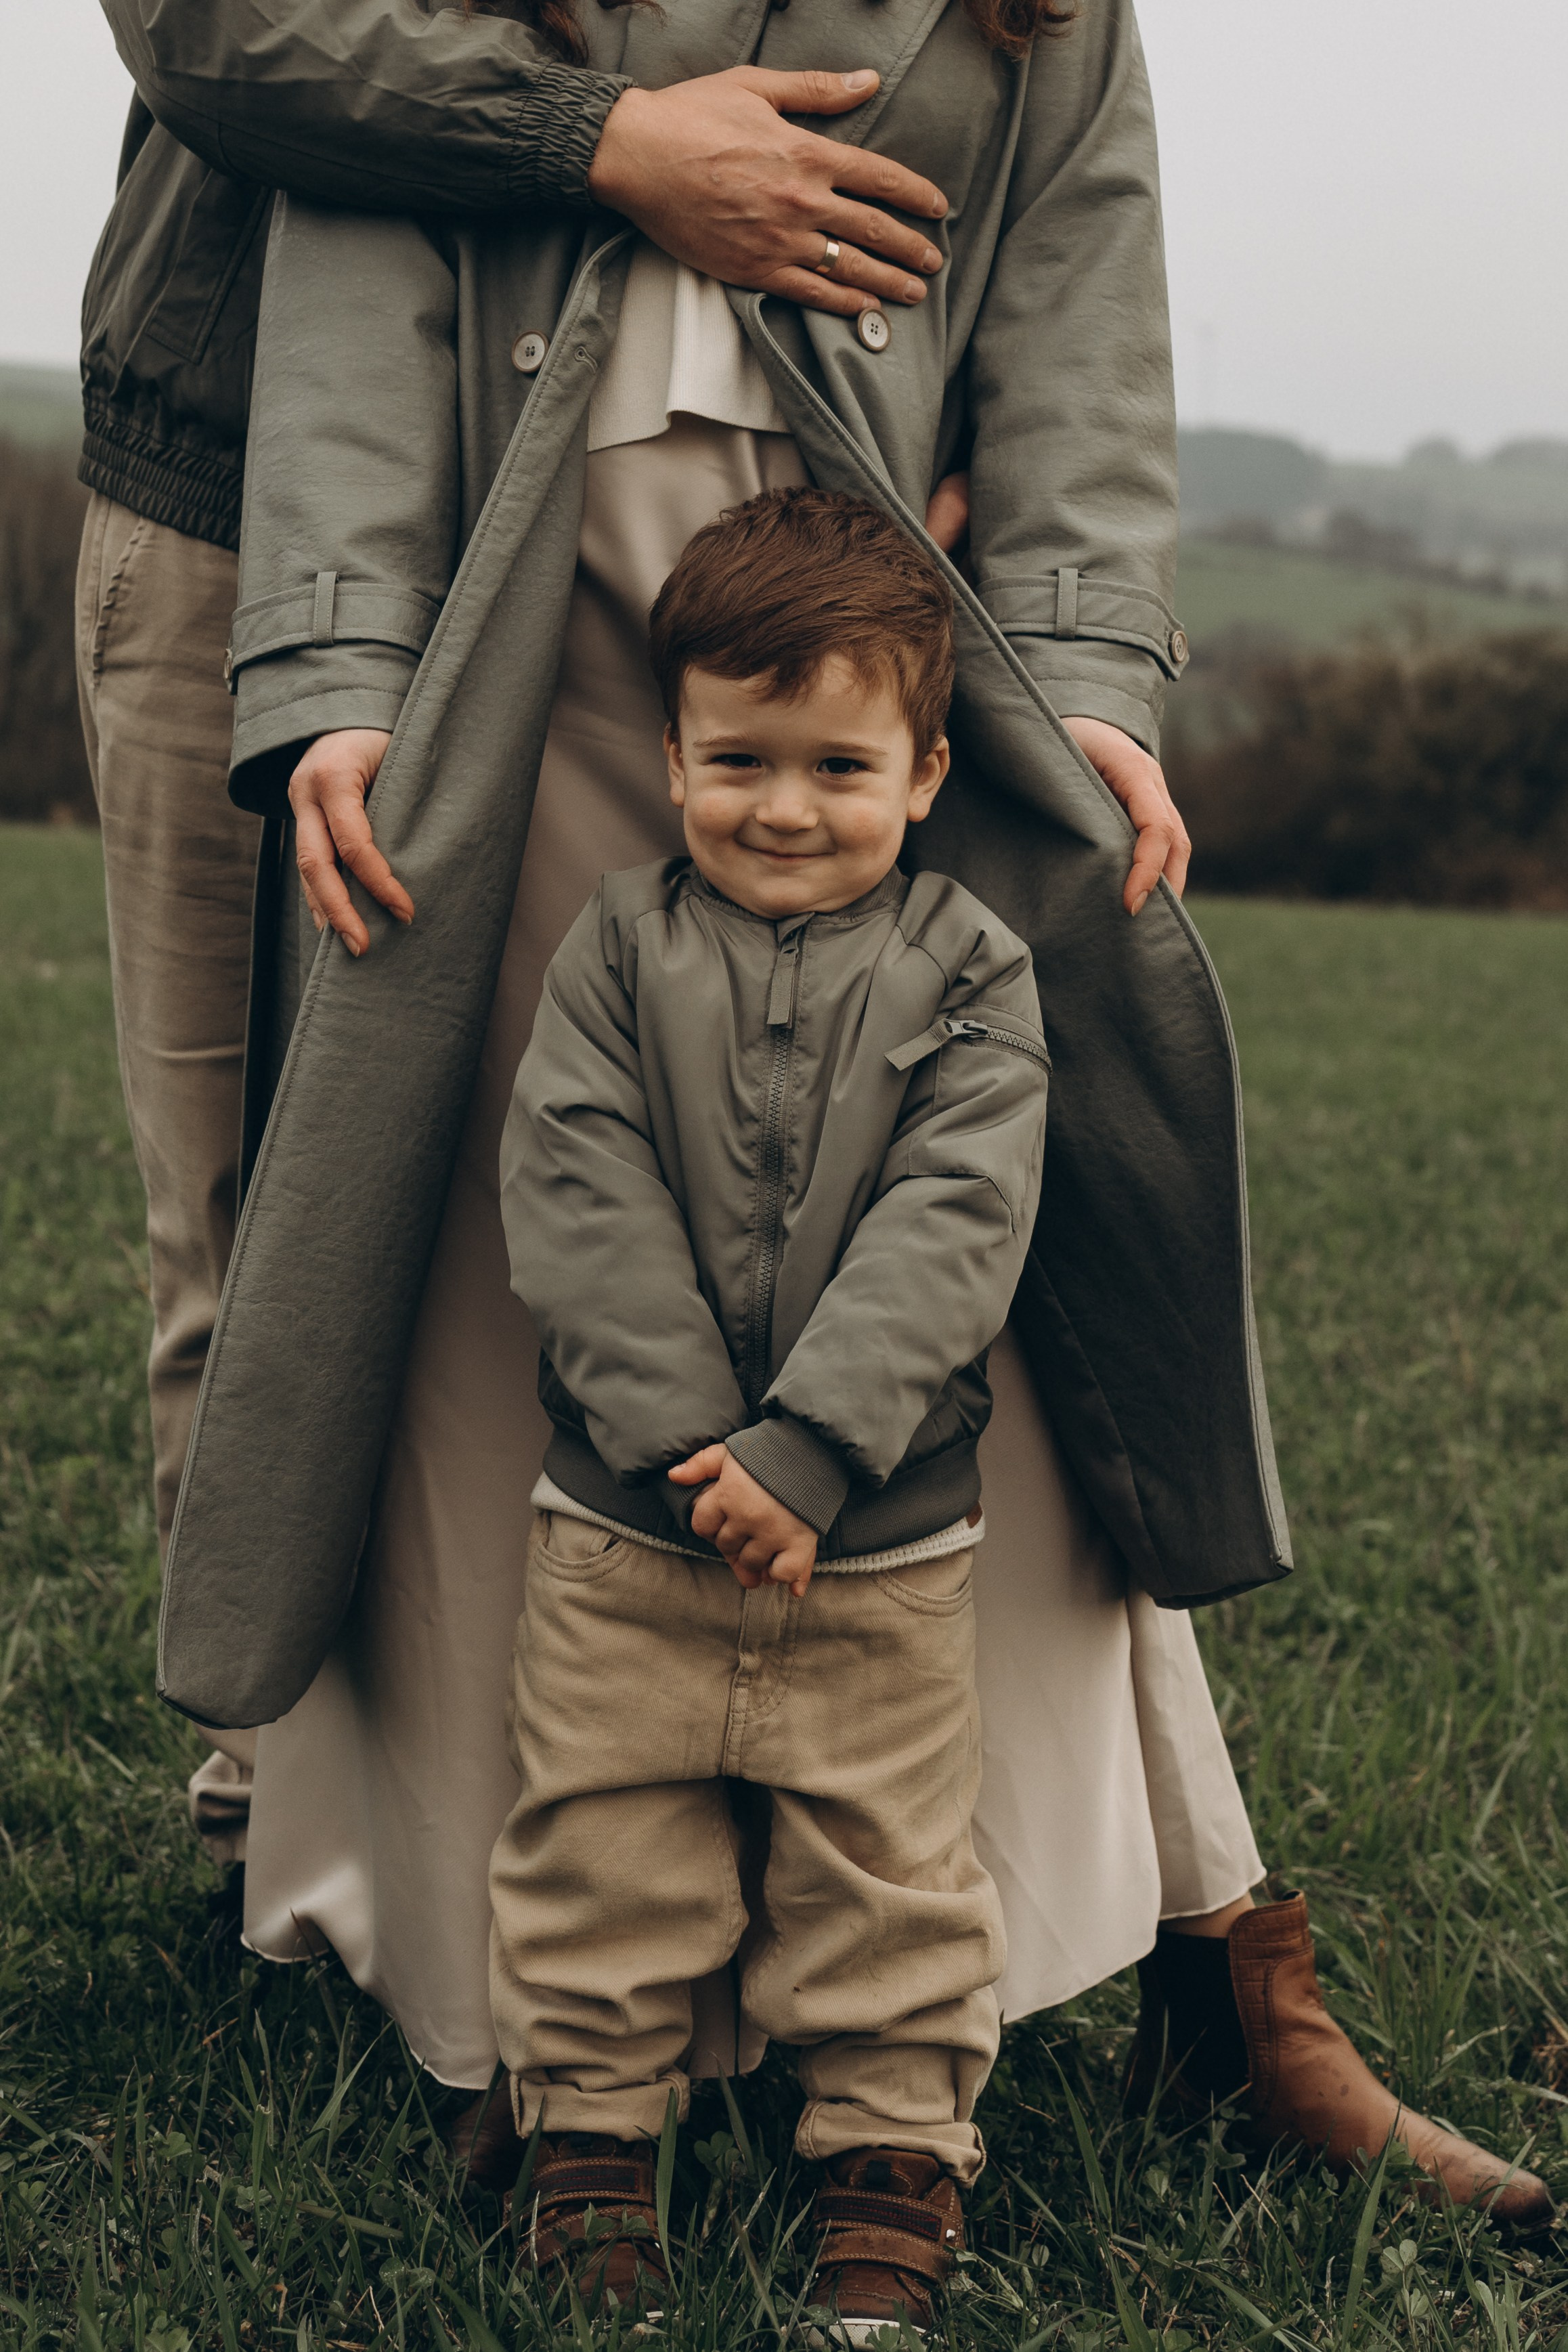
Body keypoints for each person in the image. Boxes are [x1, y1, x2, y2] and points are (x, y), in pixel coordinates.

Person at [98, 0, 1547, 2223]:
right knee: (523, 1299)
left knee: (979, 1280)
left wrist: (1075, 661)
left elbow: (1076, 286)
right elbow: (353, 269)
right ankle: (562, 2019)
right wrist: (338, 674)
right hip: (510, 623)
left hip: (859, 640)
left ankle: (1115, 1960)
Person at [495, 487, 1048, 2330]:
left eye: (837, 761)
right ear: (669, 755)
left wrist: (809, 1449)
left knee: (887, 1877)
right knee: (597, 1848)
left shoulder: (969, 968)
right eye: (739, 756)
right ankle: (586, 2143)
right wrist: (688, 1442)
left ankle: (889, 2158)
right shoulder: (613, 951)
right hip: (626, 1538)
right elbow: (575, 1186)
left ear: (923, 767)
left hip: (876, 1555)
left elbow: (952, 1221)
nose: (784, 804)